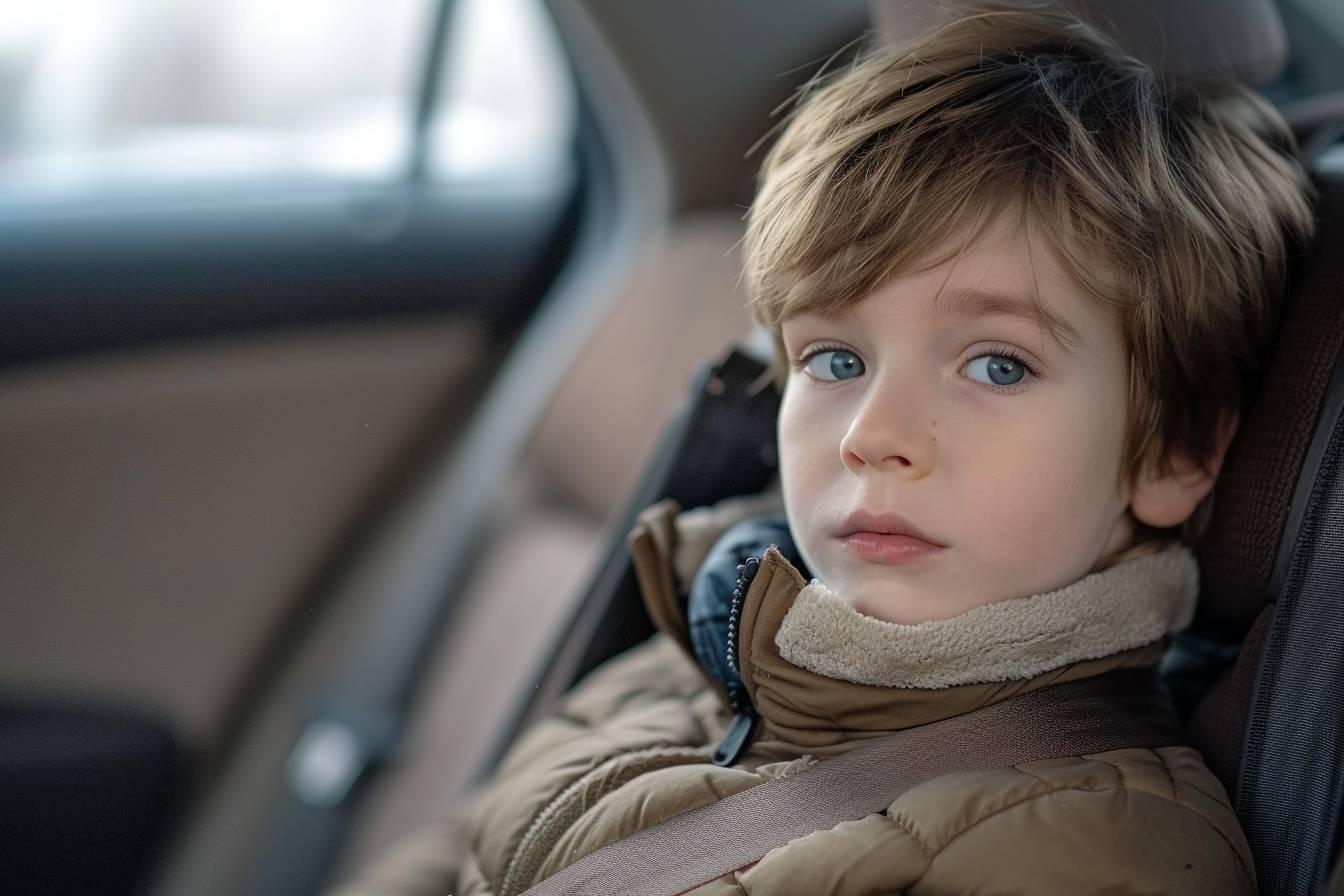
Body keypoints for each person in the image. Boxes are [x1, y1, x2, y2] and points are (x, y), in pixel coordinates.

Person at [343, 4, 1315, 894]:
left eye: (998, 367)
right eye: (836, 356)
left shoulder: (1100, 852)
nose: (873, 435)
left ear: (1175, 450)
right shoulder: (687, 654)